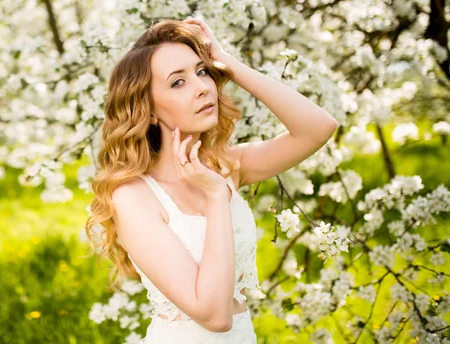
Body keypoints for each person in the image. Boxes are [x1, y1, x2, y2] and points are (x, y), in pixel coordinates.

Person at [85, 18, 338, 343]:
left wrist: (228, 63)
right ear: (148, 110)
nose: (203, 87)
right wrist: (217, 195)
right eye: (178, 82)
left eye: (202, 71)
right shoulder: (133, 196)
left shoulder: (227, 164)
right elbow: (215, 316)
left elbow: (318, 128)